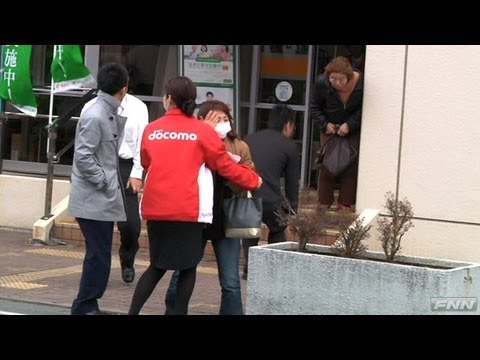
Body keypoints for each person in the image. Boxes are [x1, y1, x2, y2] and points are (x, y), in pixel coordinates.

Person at [127, 76, 262, 315]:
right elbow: (224, 167)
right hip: (188, 210)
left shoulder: (152, 129)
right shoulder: (202, 132)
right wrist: (254, 180)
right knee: (188, 269)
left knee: (156, 267)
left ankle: (133, 312)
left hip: (156, 208)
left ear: (169, 99)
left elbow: (147, 160)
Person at [164, 100, 254, 315]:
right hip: (197, 216)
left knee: (231, 280)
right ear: (201, 121)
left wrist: (229, 168)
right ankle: (173, 310)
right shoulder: (192, 142)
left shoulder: (240, 146)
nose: (222, 124)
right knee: (183, 271)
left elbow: (250, 177)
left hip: (229, 217)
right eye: (216, 119)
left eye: (225, 119)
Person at [68, 63, 129, 315]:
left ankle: (88, 304)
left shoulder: (105, 111)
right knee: (98, 254)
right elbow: (83, 156)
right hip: (94, 198)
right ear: (123, 89)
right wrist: (103, 180)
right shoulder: (96, 115)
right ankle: (84, 306)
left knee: (99, 253)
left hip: (100, 198)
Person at [81, 89, 149, 284]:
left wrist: (137, 173)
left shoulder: (138, 107)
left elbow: (140, 143)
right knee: (97, 223)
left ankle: (127, 258)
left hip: (125, 167)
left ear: (125, 87)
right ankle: (95, 267)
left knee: (130, 225)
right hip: (99, 165)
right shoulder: (91, 106)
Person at [242, 104, 300, 279]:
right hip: (271, 200)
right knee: (277, 229)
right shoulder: (289, 146)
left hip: (247, 195)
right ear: (288, 124)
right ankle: (273, 269)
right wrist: (292, 209)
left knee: (249, 233)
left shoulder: (249, 139)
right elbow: (291, 183)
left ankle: (249, 268)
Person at [310, 56, 364, 211]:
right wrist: (325, 124)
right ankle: (324, 202)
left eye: (341, 79)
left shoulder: (361, 83)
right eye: (333, 78)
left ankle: (345, 202)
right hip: (330, 127)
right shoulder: (322, 83)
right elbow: (315, 107)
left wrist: (350, 125)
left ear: (349, 76)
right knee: (327, 163)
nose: (337, 83)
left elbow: (364, 108)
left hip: (351, 129)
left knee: (350, 163)